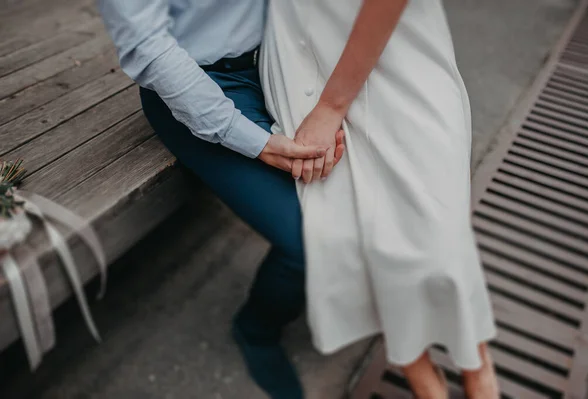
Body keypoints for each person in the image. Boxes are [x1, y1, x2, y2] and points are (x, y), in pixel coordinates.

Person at [97, 2, 344, 398]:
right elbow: (148, 44)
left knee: (348, 200)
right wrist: (251, 140)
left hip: (285, 63)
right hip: (203, 85)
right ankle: (257, 329)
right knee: (306, 241)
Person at [260, 0, 499, 397]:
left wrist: (332, 106)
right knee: (353, 234)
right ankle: (417, 368)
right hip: (301, 50)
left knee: (435, 240)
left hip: (397, 53)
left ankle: (476, 362)